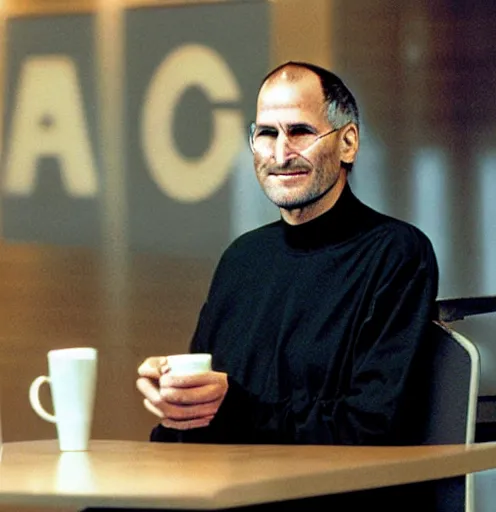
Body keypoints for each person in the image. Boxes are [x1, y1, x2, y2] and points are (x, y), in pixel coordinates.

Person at [134, 61, 439, 509]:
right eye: (266, 134)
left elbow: (372, 428)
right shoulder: (242, 259)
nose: (280, 155)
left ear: (348, 142)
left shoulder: (395, 253)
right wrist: (178, 402)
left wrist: (231, 407)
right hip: (230, 495)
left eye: (299, 132)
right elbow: (210, 414)